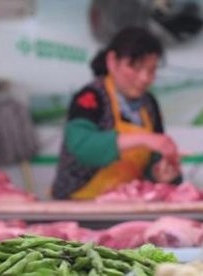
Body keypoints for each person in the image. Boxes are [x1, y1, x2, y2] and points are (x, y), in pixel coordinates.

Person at [52, 27, 182, 200]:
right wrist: (144, 138)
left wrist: (160, 174)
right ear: (113, 62)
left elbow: (153, 160)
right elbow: (81, 146)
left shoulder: (149, 104)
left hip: (127, 204)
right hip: (79, 205)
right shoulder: (91, 96)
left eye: (151, 70)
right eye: (136, 68)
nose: (144, 78)